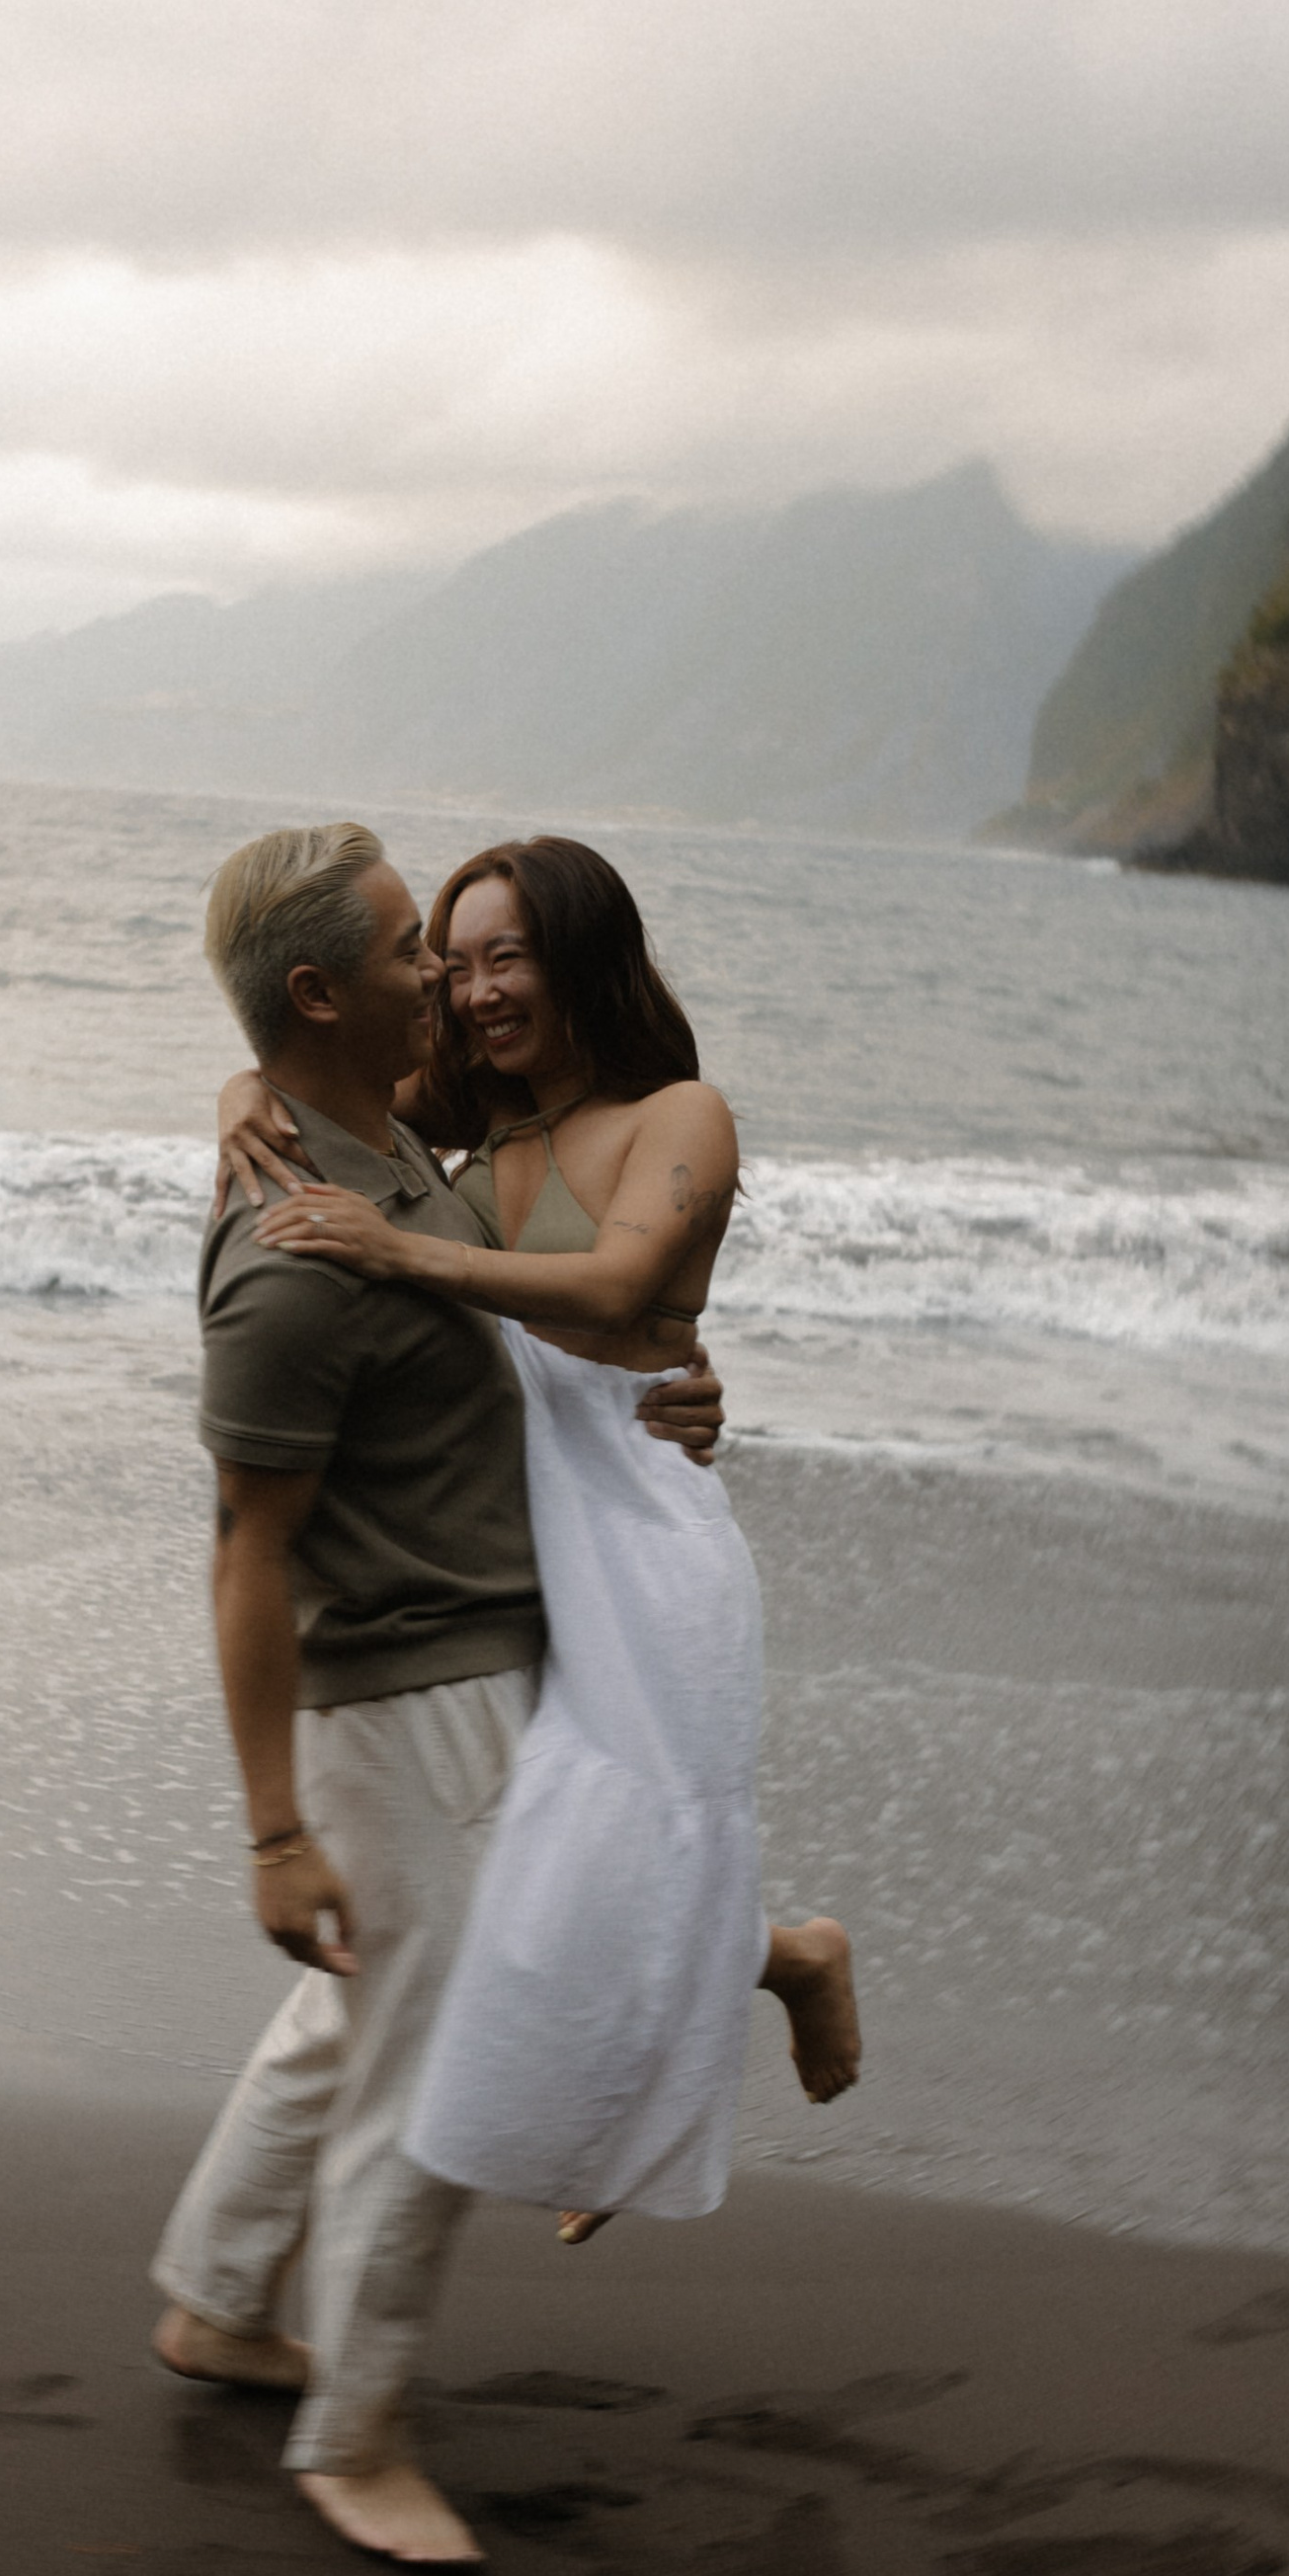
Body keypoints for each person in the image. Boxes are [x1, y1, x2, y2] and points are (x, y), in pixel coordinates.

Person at [149, 821, 729, 2576]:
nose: (445, 986)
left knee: (365, 2013)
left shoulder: (384, 1133)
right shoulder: (297, 1255)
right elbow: (248, 1556)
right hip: (406, 1697)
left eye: (453, 951)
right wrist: (271, 1835)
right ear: (338, 989)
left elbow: (602, 1282)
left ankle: (218, 2296)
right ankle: (357, 2431)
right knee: (435, 2054)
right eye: (417, 951)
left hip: (471, 1664)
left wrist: (248, 1073)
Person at [223, 835, 856, 2251]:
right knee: (549, 1852)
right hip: (510, 1521)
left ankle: (735, 2021)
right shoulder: (463, 1117)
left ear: (583, 957)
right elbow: (304, 1072)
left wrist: (408, 1254)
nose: (476, 988)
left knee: (630, 1839)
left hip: (642, 1522)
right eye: (453, 961)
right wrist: (234, 1106)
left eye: (508, 954)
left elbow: (622, 1277)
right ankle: (782, 1958)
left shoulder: (684, 1114)